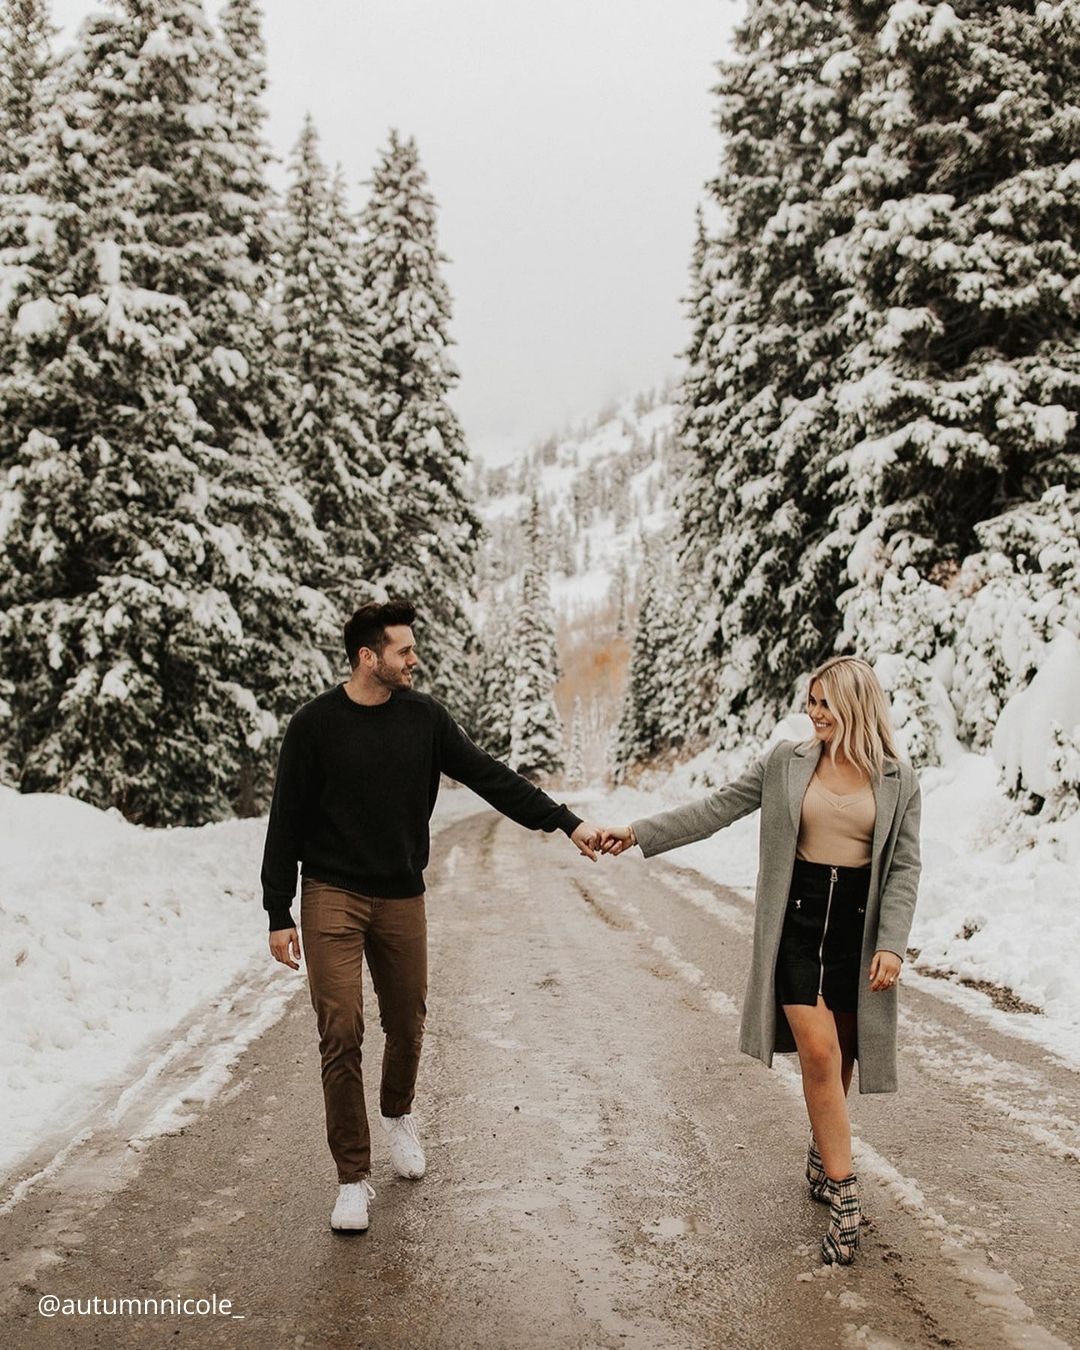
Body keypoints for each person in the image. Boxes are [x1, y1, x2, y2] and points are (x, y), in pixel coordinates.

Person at [261, 599, 601, 1234]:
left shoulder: (425, 719)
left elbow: (491, 778)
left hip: (400, 894)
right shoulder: (313, 725)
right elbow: (286, 820)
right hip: (330, 892)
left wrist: (565, 821)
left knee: (408, 1021)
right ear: (369, 658)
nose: (415, 660)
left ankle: (398, 1114)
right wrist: (277, 909)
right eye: (404, 651)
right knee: (340, 1027)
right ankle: (352, 1178)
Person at [598, 656, 921, 1265]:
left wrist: (892, 943)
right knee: (819, 1052)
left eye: (825, 702)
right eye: (811, 700)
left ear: (855, 704)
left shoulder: (898, 778)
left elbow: (905, 866)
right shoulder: (785, 763)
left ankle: (823, 1152)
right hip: (796, 926)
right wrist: (638, 832)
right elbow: (716, 809)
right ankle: (847, 1196)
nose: (813, 712)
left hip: (857, 933)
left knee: (843, 1052)